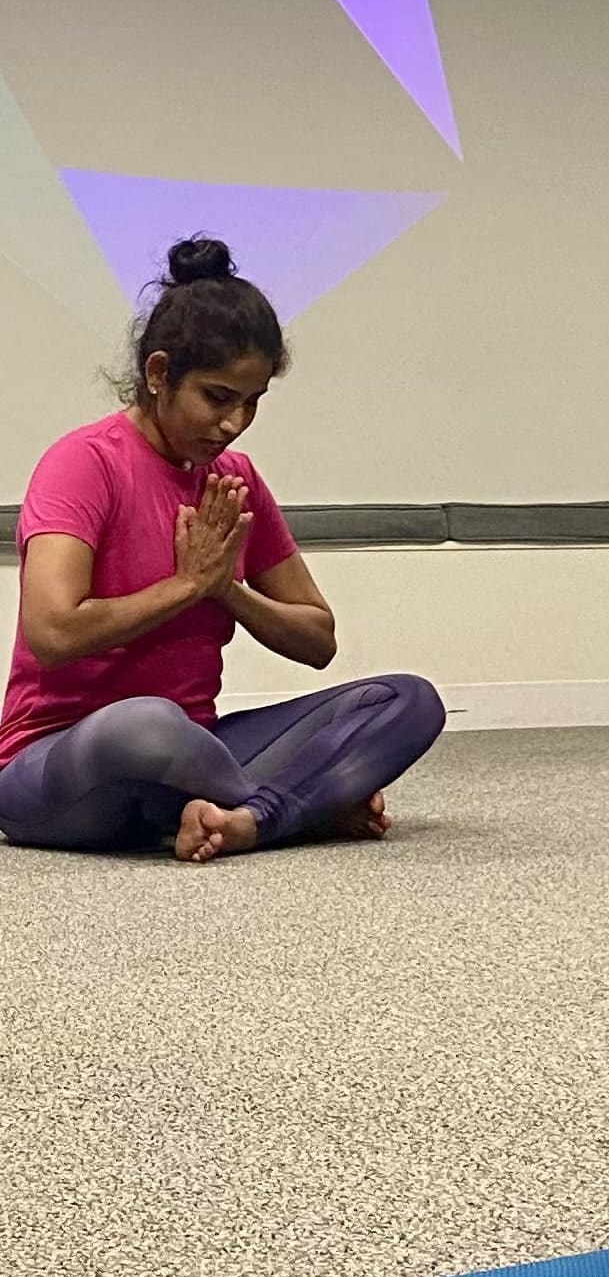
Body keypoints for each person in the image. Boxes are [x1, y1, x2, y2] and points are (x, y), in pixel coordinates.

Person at [0, 238, 444, 861]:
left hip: (195, 750)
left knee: (407, 700)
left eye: (251, 401)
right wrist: (185, 586)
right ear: (159, 374)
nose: (234, 422)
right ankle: (289, 811)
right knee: (144, 724)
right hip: (61, 764)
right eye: (216, 397)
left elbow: (317, 640)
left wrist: (226, 590)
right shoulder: (83, 464)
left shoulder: (236, 481)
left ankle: (240, 817)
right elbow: (52, 631)